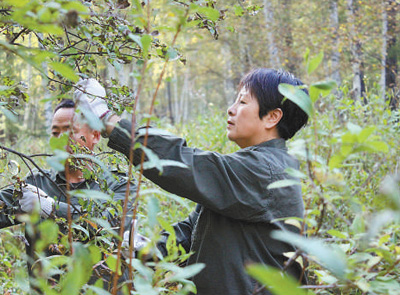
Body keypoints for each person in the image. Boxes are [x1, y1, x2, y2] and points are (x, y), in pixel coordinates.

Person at [78, 69, 309, 295]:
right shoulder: (254, 168)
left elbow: (184, 164)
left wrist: (107, 120)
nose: (231, 109)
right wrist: (143, 247)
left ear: (272, 117)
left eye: (242, 102)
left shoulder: (267, 172)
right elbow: (192, 232)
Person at [0, 79, 136, 292]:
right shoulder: (35, 184)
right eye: (55, 133)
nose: (60, 139)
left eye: (69, 130)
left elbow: (111, 228)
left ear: (95, 135)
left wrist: (51, 209)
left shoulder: (119, 186)